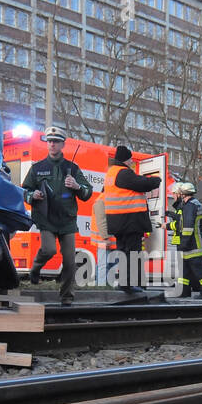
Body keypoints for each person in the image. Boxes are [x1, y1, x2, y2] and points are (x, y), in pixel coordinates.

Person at [22, 126, 93, 306]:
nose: (52, 144)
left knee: (69, 261)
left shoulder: (72, 168)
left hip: (67, 220)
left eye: (56, 142)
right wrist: (32, 196)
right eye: (50, 141)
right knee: (49, 250)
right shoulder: (37, 168)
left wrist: (77, 186)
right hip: (46, 217)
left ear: (62, 144)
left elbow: (87, 192)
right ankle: (35, 270)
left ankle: (67, 298)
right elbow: (24, 190)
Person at [104, 144, 160, 295]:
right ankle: (128, 284)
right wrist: (156, 180)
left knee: (123, 252)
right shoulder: (123, 173)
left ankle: (124, 283)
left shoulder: (111, 173)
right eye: (130, 160)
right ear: (126, 160)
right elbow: (142, 184)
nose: (131, 163)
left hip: (117, 222)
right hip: (130, 221)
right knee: (132, 253)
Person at [166, 181, 202, 299]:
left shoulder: (190, 206)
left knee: (198, 269)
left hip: (192, 244)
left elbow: (187, 227)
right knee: (185, 270)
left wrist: (184, 243)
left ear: (182, 194)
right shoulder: (194, 204)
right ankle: (184, 291)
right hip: (191, 243)